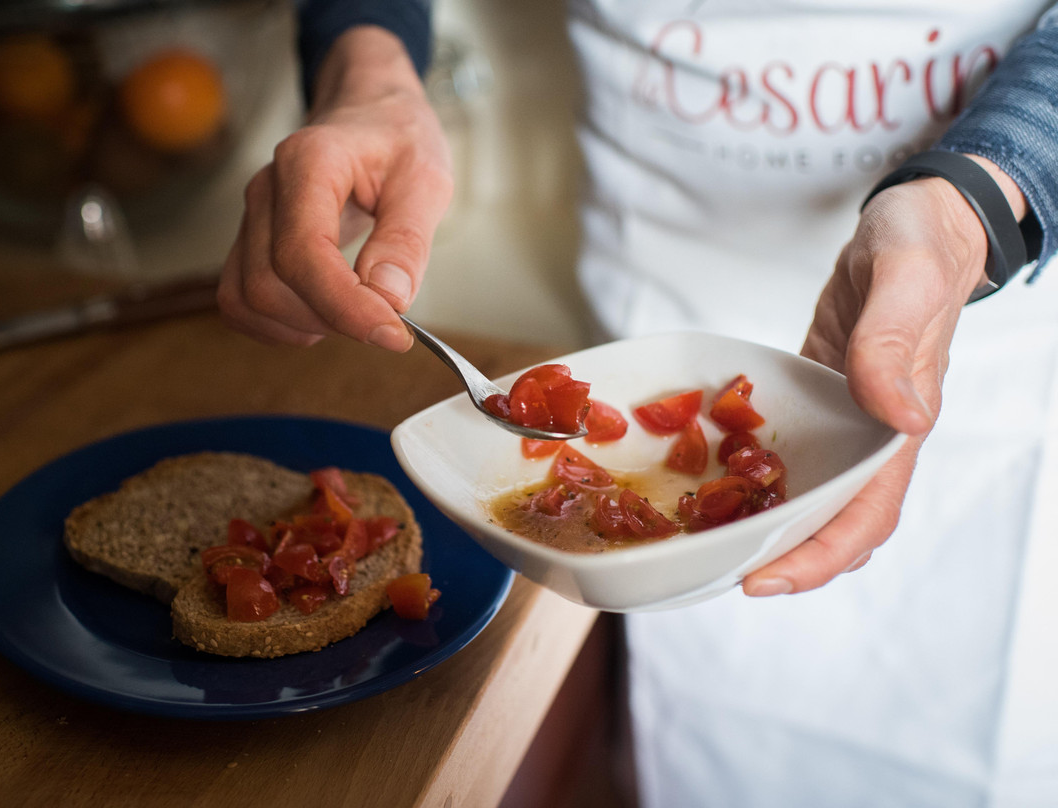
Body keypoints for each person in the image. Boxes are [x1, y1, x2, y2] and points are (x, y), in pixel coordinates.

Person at [217, 2, 1058, 805]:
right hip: (657, 295)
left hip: (984, 289)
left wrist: (973, 204)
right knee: (709, 738)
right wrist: (368, 73)